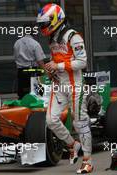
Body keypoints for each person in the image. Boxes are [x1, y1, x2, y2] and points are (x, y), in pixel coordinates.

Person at [37, 3, 93, 174]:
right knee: (51, 120)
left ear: (55, 20)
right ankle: (72, 144)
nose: (42, 28)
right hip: (58, 84)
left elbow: (82, 62)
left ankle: (88, 161)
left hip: (75, 84)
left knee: (79, 121)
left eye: (44, 24)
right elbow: (57, 61)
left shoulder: (73, 36)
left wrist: (58, 65)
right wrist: (50, 70)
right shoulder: (52, 38)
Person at [14, 34, 46, 99]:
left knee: (22, 95)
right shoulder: (35, 43)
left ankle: (22, 108)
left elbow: (16, 58)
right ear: (34, 34)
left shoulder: (17, 43)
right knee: (37, 95)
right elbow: (40, 61)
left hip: (21, 72)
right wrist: (45, 72)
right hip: (32, 72)